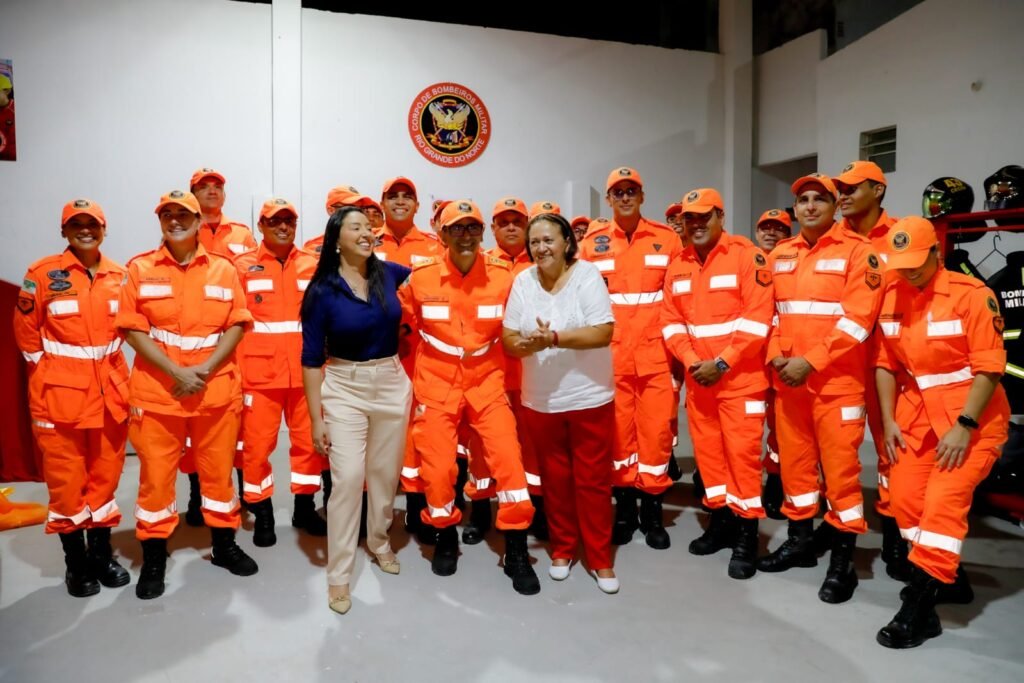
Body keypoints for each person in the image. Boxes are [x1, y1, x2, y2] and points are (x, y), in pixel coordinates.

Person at [873, 216, 1009, 648]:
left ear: (937, 252)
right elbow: (884, 364)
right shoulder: (893, 294)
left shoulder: (972, 295)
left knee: (941, 503)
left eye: (917, 260)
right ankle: (947, 576)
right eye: (902, 262)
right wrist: (890, 419)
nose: (909, 269)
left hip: (972, 420)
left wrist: (965, 425)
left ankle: (919, 607)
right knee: (906, 500)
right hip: (914, 417)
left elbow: (990, 367)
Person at [116, 190, 257, 600]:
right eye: (167, 214)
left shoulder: (224, 270)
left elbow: (237, 322)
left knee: (217, 474)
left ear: (199, 222)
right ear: (160, 221)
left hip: (215, 390)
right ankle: (154, 557)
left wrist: (206, 369)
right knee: (156, 480)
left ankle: (224, 546)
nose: (175, 220)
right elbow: (132, 328)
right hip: (159, 392)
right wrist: (176, 370)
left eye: (183, 214)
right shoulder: (139, 269)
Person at [398, 199, 540, 595]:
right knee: (440, 470)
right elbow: (397, 320)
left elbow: (523, 321)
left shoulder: (502, 278)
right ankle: (444, 535)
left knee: (509, 463)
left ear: (483, 234)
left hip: (487, 381)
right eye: (456, 228)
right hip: (436, 382)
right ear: (441, 234)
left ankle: (515, 547)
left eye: (472, 228)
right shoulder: (421, 278)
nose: (465, 235)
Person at [757, 173, 883, 604]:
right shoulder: (781, 255)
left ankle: (842, 563)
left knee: (842, 477)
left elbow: (857, 321)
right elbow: (770, 314)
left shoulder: (859, 253)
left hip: (836, 386)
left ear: (834, 206)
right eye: (803, 200)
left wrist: (809, 362)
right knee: (795, 469)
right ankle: (799, 542)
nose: (809, 206)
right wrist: (777, 356)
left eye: (819, 199)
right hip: (789, 382)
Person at [13, 199, 131, 597]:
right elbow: (27, 334)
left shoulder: (120, 275)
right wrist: (51, 376)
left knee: (105, 478)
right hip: (59, 397)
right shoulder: (43, 274)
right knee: (66, 484)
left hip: (111, 394)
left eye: (92, 224)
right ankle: (75, 564)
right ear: (64, 231)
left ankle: (100, 555)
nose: (85, 230)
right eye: (75, 224)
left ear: (103, 228)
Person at [300, 206, 413, 615]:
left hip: (390, 381)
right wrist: (316, 418)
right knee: (347, 480)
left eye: (369, 227)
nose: (367, 233)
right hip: (343, 386)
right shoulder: (321, 291)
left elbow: (432, 275)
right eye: (356, 227)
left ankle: (379, 541)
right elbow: (311, 358)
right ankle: (338, 576)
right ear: (336, 238)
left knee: (385, 475)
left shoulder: (389, 273)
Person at [661, 188, 773, 580]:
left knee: (741, 460)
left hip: (740, 382)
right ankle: (722, 523)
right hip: (700, 382)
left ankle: (746, 535)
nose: (696, 224)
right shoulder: (678, 265)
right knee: (709, 460)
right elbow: (671, 323)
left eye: (704, 216)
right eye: (690, 217)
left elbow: (757, 321)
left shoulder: (746, 256)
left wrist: (722, 362)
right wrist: (693, 363)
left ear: (720, 218)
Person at [503, 213, 618, 593]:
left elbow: (603, 332)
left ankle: (600, 558)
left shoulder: (587, 276)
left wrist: (551, 338)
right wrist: (526, 344)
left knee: (593, 482)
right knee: (554, 481)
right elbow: (508, 338)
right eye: (534, 241)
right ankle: (563, 549)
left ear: (567, 242)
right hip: (541, 400)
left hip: (588, 397)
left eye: (548, 239)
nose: (541, 248)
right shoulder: (523, 280)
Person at [578, 167, 683, 550]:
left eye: (631, 191)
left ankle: (652, 513)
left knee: (656, 437)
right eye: (617, 192)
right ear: (608, 199)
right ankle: (623, 511)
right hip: (611, 359)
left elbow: (679, 299)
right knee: (619, 439)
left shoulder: (668, 240)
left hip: (656, 356)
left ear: (642, 195)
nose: (624, 197)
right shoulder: (592, 244)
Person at [233, 198, 327, 546]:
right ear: (261, 225)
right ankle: (263, 513)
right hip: (259, 375)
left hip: (306, 372)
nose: (283, 226)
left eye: (289, 220)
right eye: (275, 221)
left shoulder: (313, 265)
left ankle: (304, 508)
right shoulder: (241, 267)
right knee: (256, 449)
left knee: (308, 445)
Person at [834, 160, 906, 579]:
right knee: (838, 457)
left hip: (888, 364)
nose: (842, 194)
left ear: (877, 190)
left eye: (852, 187)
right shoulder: (830, 238)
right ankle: (838, 534)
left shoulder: (901, 237)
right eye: (839, 188)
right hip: (840, 364)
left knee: (890, 451)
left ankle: (896, 536)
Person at [462, 197, 548, 544]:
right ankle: (481, 508)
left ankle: (536, 507)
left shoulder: (543, 262)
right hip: (490, 373)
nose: (511, 226)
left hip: (533, 373)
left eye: (517, 221)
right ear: (492, 229)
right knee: (482, 447)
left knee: (530, 445)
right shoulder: (478, 264)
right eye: (504, 221)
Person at [181, 167, 257, 523]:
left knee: (239, 428)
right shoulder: (183, 231)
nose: (211, 191)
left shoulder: (242, 233)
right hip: (196, 344)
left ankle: (242, 495)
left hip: (239, 342)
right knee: (196, 425)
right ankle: (198, 497)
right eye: (203, 186)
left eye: (217, 186)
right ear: (192, 192)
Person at [754, 208, 793, 520]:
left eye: (778, 228)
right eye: (765, 227)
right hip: (752, 360)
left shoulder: (792, 262)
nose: (771, 232)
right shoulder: (747, 261)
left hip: (781, 358)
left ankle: (778, 482)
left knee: (783, 428)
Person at [303, 183, 361, 254]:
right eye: (350, 207)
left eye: (360, 208)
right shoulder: (312, 248)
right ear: (331, 210)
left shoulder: (371, 243)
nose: (357, 213)